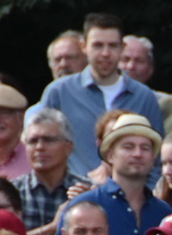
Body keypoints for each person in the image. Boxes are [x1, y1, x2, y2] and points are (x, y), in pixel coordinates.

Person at [47, 114, 172, 235]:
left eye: (145, 148)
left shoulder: (163, 213)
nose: (137, 153)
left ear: (153, 158)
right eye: (128, 147)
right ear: (110, 155)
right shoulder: (83, 207)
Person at [36, 14, 164, 174]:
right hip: (75, 192)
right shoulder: (59, 92)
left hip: (131, 194)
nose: (105, 53)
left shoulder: (143, 97)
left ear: (122, 47)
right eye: (98, 45)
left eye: (112, 46)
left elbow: (156, 158)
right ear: (83, 46)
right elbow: (41, 147)